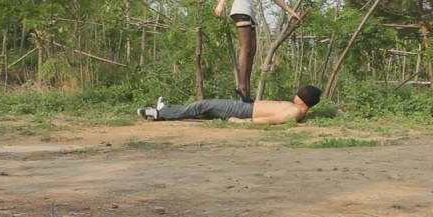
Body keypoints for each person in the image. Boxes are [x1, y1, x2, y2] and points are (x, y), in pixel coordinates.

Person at [214, 0, 301, 103]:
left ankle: (246, 86)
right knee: (245, 48)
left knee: (252, 50)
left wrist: (291, 12)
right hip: (241, 9)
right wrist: (221, 3)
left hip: (251, 13)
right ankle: (241, 86)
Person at [137, 85, 321, 125]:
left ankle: (159, 114)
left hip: (242, 111)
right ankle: (167, 110)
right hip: (244, 107)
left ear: (301, 98)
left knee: (204, 105)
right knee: (202, 111)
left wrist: (243, 122)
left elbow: (275, 119)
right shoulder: (299, 110)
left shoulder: (296, 110)